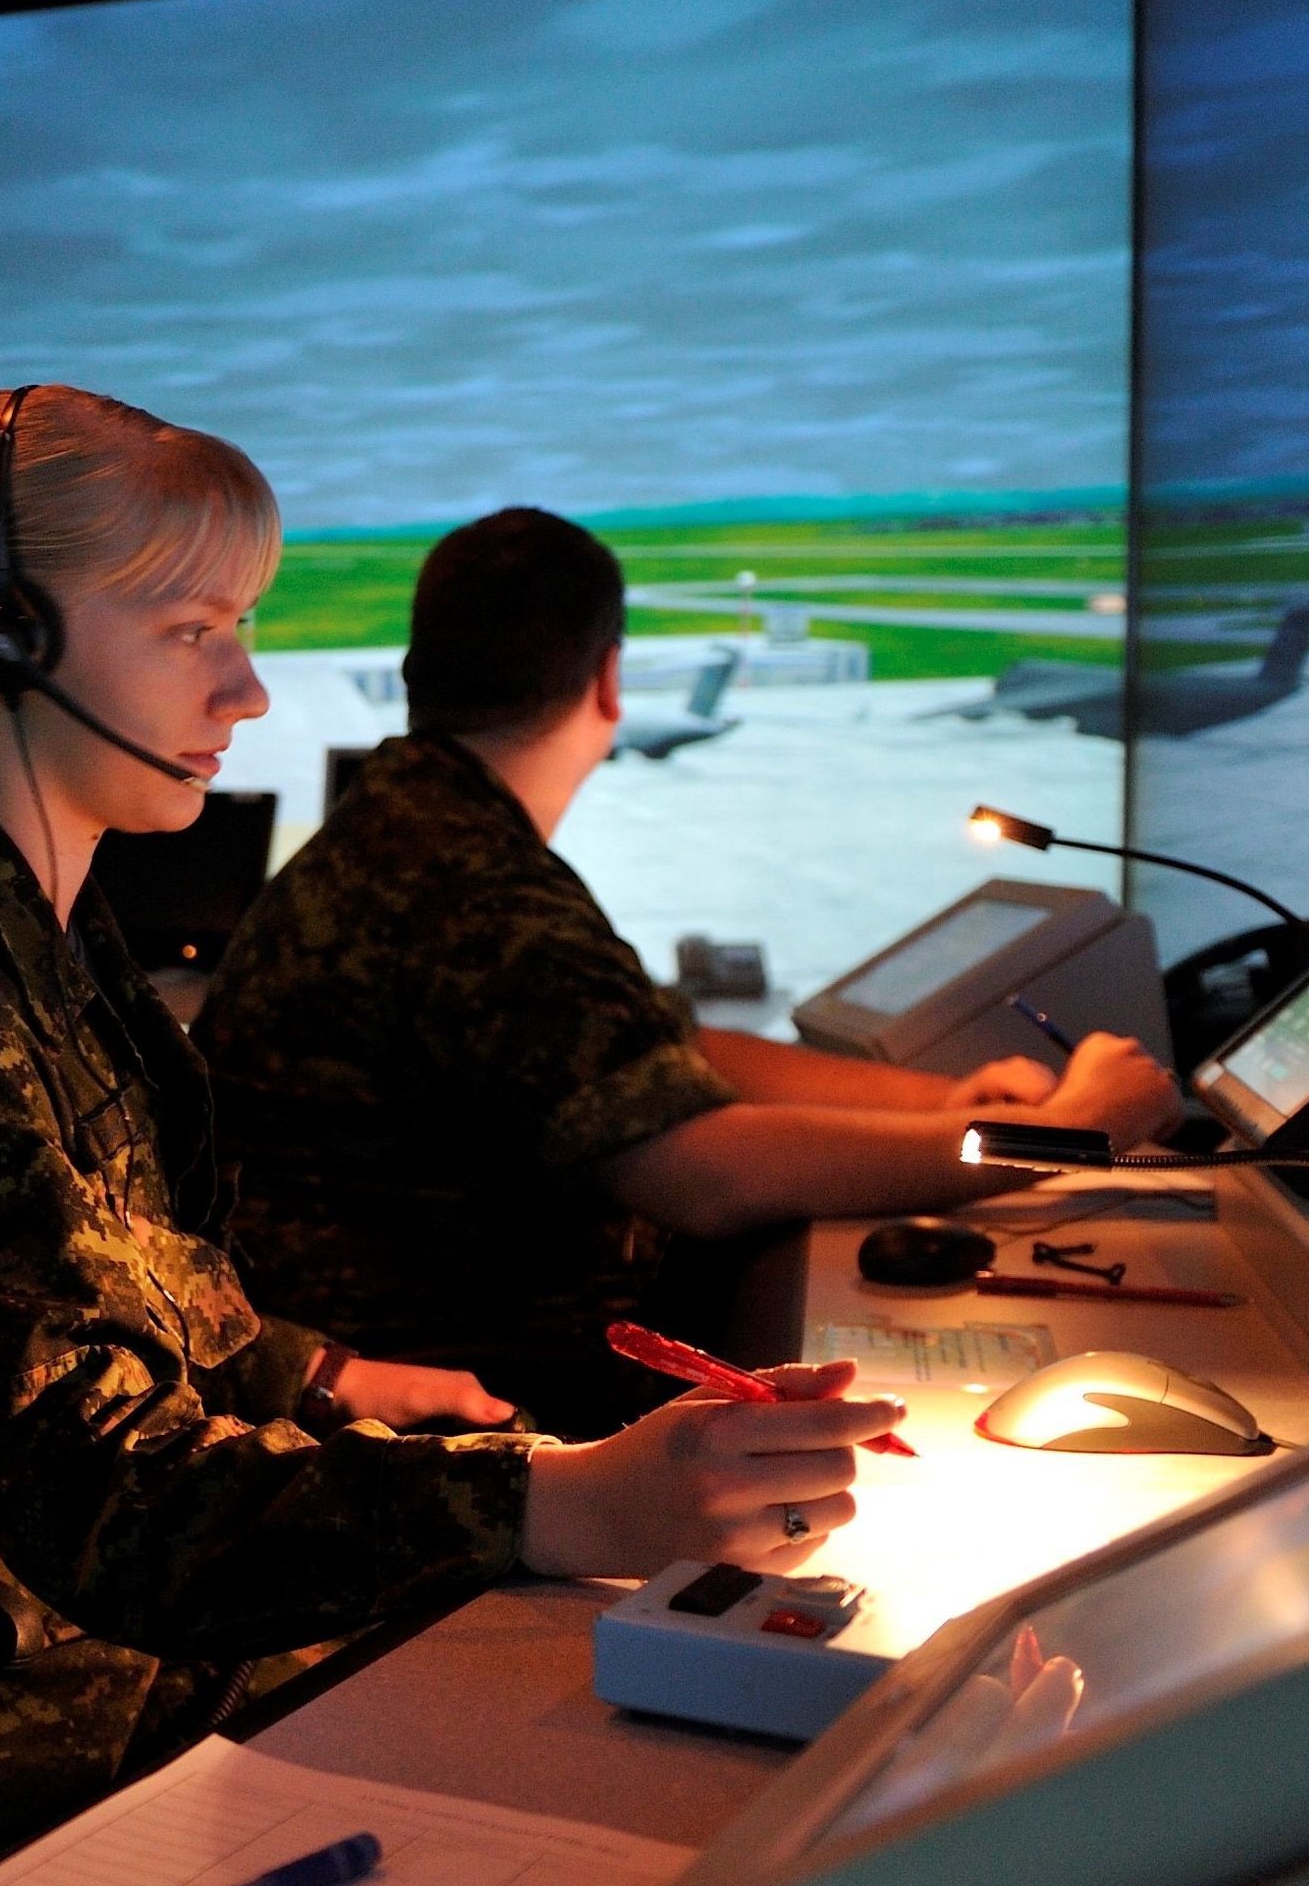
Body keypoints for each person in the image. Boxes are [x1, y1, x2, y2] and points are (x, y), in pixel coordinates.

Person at [0, 393, 895, 1886]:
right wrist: (562, 1497)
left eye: (242, 629)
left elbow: (97, 1298)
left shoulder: (31, 930)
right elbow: (109, 1504)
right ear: (14, 640)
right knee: (633, 1781)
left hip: (92, 1600)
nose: (249, 690)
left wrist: (313, 1373)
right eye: (194, 630)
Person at [195, 507, 1180, 1434]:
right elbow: (703, 1174)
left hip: (443, 1366)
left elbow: (672, 1054)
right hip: (461, 1411)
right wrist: (1064, 1136)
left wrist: (942, 1104)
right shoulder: (473, 888)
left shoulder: (424, 833)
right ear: (608, 682)